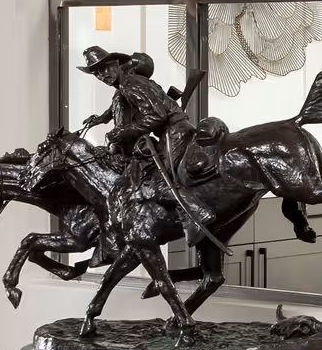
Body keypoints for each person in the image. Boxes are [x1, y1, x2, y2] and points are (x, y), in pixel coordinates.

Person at [76, 47, 221, 250]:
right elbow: (114, 109)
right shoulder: (124, 87)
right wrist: (100, 119)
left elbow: (158, 116)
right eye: (97, 73)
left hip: (174, 132)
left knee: (160, 179)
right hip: (169, 131)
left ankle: (196, 211)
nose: (102, 76)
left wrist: (125, 131)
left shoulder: (131, 84)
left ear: (116, 64)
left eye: (105, 69)